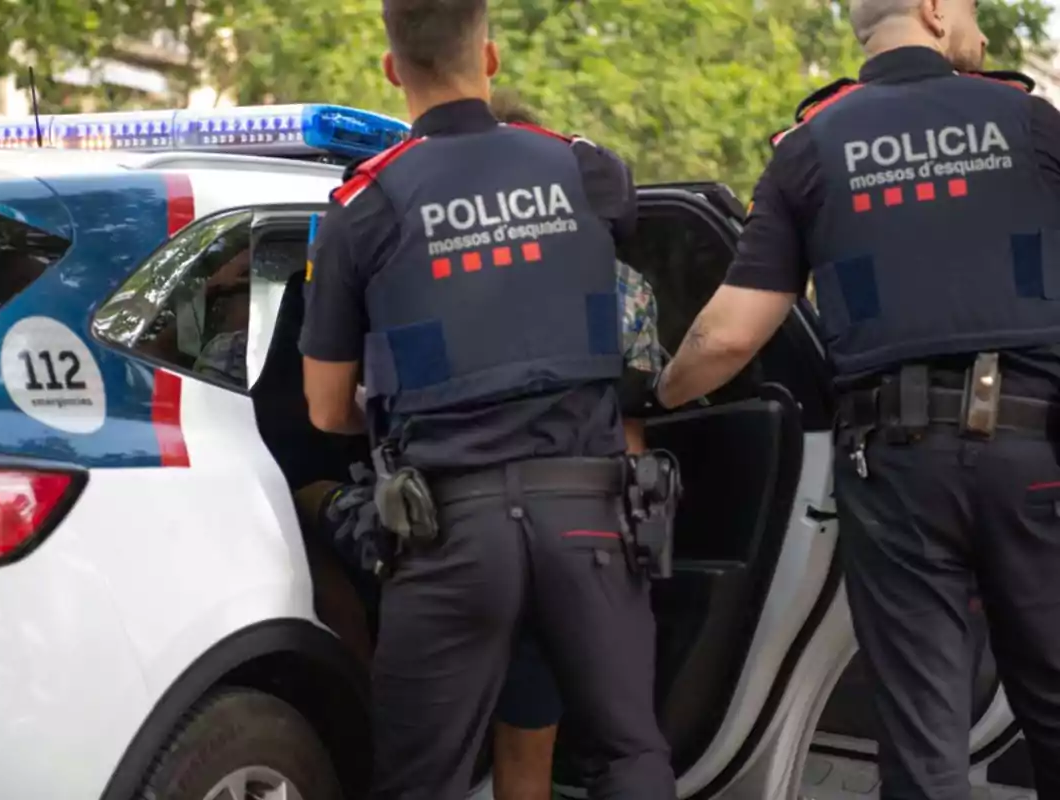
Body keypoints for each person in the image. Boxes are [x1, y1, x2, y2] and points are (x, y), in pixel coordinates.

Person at [654, 0, 1060, 797]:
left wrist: (656, 396)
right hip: (1034, 457)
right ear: (937, 10)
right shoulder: (1030, 120)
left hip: (897, 464)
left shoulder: (809, 147)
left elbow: (729, 337)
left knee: (923, 733)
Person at [298, 1, 675, 798]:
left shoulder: (361, 207)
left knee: (417, 777)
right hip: (588, 516)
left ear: (392, 70)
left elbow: (326, 410)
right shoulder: (586, 167)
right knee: (629, 753)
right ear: (491, 58)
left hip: (449, 531)